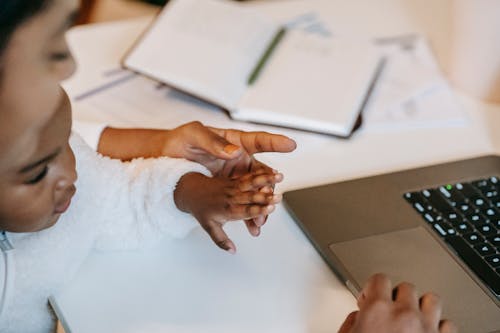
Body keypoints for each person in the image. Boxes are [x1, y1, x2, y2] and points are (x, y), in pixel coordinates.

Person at [0, 0, 456, 332]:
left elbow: (110, 190)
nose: (73, 169)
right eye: (54, 47)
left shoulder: (36, 140)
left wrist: (190, 191)